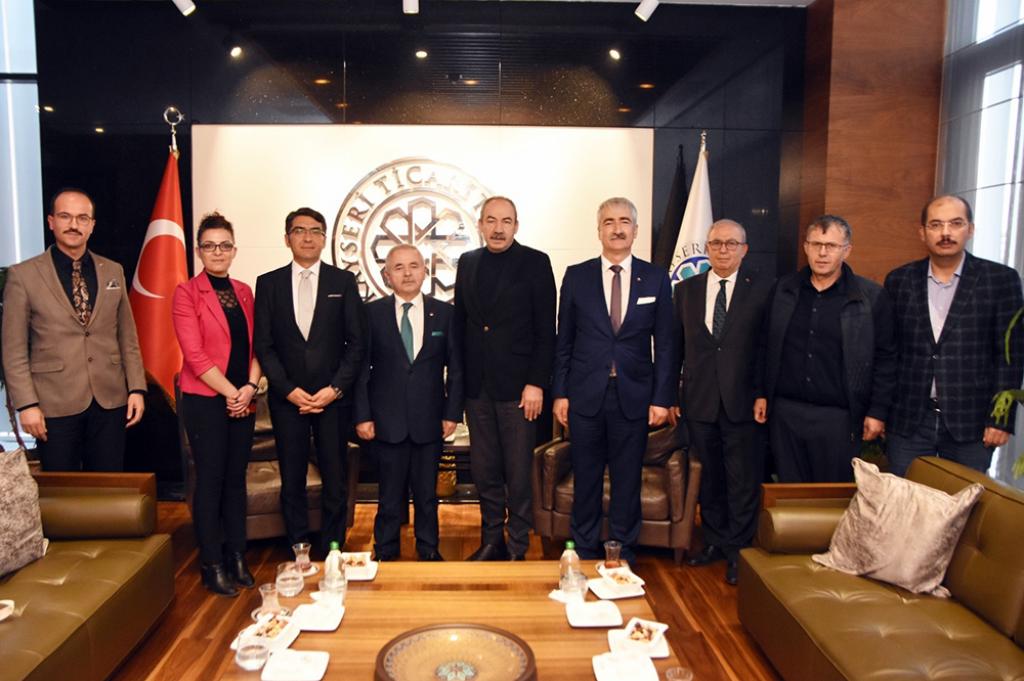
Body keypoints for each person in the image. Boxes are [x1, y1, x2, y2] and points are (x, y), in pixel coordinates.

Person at [552, 197, 676, 563]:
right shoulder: (577, 276)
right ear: (599, 230)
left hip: (634, 396)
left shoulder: (655, 277)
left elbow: (666, 344)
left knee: (626, 479)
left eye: (624, 222)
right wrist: (560, 393)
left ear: (635, 230)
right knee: (586, 476)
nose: (617, 228)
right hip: (585, 395)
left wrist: (662, 398)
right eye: (609, 222)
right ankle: (585, 548)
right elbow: (564, 341)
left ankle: (622, 550)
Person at [2, 188, 146, 471]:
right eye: (65, 216)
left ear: (92, 225)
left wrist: (137, 388)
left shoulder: (113, 271)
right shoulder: (24, 275)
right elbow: (13, 349)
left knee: (108, 487)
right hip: (53, 403)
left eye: (82, 218)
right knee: (63, 489)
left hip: (110, 400)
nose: (74, 225)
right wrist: (27, 405)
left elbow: (127, 337)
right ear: (51, 221)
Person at [253, 207, 367, 556]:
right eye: (299, 230)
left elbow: (357, 343)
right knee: (292, 478)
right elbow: (264, 345)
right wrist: (288, 390)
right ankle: (298, 545)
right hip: (288, 400)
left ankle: (332, 547)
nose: (307, 237)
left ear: (324, 238)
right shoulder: (268, 283)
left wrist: (335, 389)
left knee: (334, 477)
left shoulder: (342, 281)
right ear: (287, 238)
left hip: (332, 399)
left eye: (315, 231)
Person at [884, 195, 1024, 475]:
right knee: (904, 497)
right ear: (922, 232)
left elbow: (1010, 356)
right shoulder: (899, 280)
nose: (945, 233)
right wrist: (880, 412)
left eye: (955, 224)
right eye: (936, 225)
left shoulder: (1000, 280)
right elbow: (889, 352)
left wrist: (1000, 419)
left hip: (971, 422)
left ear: (970, 229)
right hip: (909, 420)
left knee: (965, 499)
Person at [454, 196, 556, 561]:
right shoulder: (467, 262)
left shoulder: (536, 262)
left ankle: (517, 545)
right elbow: (462, 325)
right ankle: (492, 540)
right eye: (491, 221)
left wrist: (536, 383)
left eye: (506, 221)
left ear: (516, 226)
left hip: (520, 390)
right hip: (477, 389)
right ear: (480, 224)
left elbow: (546, 331)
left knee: (518, 473)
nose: (498, 229)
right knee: (485, 472)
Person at [757, 215, 896, 483]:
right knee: (789, 494)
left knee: (831, 495)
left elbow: (886, 359)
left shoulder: (870, 297)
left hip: (839, 419)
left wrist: (877, 411)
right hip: (786, 414)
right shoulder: (783, 290)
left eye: (831, 246)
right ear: (805, 247)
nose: (822, 253)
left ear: (847, 250)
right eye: (816, 244)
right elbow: (765, 344)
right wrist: (761, 392)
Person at [674, 219, 771, 586]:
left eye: (731, 243)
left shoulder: (763, 289)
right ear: (707, 248)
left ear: (744, 249)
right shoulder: (686, 290)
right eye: (716, 243)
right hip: (699, 402)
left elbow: (768, 347)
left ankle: (738, 551)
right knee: (710, 479)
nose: (723, 249)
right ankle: (714, 541)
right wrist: (671, 396)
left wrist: (762, 392)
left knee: (742, 480)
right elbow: (675, 347)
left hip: (743, 403)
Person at [354, 245, 463, 562]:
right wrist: (362, 416)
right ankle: (385, 550)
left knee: (427, 495)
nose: (407, 273)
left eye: (414, 266)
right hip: (386, 421)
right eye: (399, 267)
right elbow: (360, 370)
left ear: (425, 271)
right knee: (388, 496)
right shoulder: (371, 314)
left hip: (430, 420)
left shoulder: (445, 313)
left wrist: (452, 414)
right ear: (387, 275)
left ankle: (428, 548)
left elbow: (456, 369)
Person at [172, 212, 262, 597]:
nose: (218, 252)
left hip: (244, 398)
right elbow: (194, 356)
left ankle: (237, 555)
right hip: (206, 401)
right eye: (209, 246)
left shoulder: (244, 291)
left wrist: (250, 388)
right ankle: (212, 563)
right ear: (198, 251)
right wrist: (232, 393)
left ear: (234, 250)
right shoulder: (186, 293)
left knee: (236, 480)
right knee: (210, 481)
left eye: (224, 245)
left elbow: (257, 348)